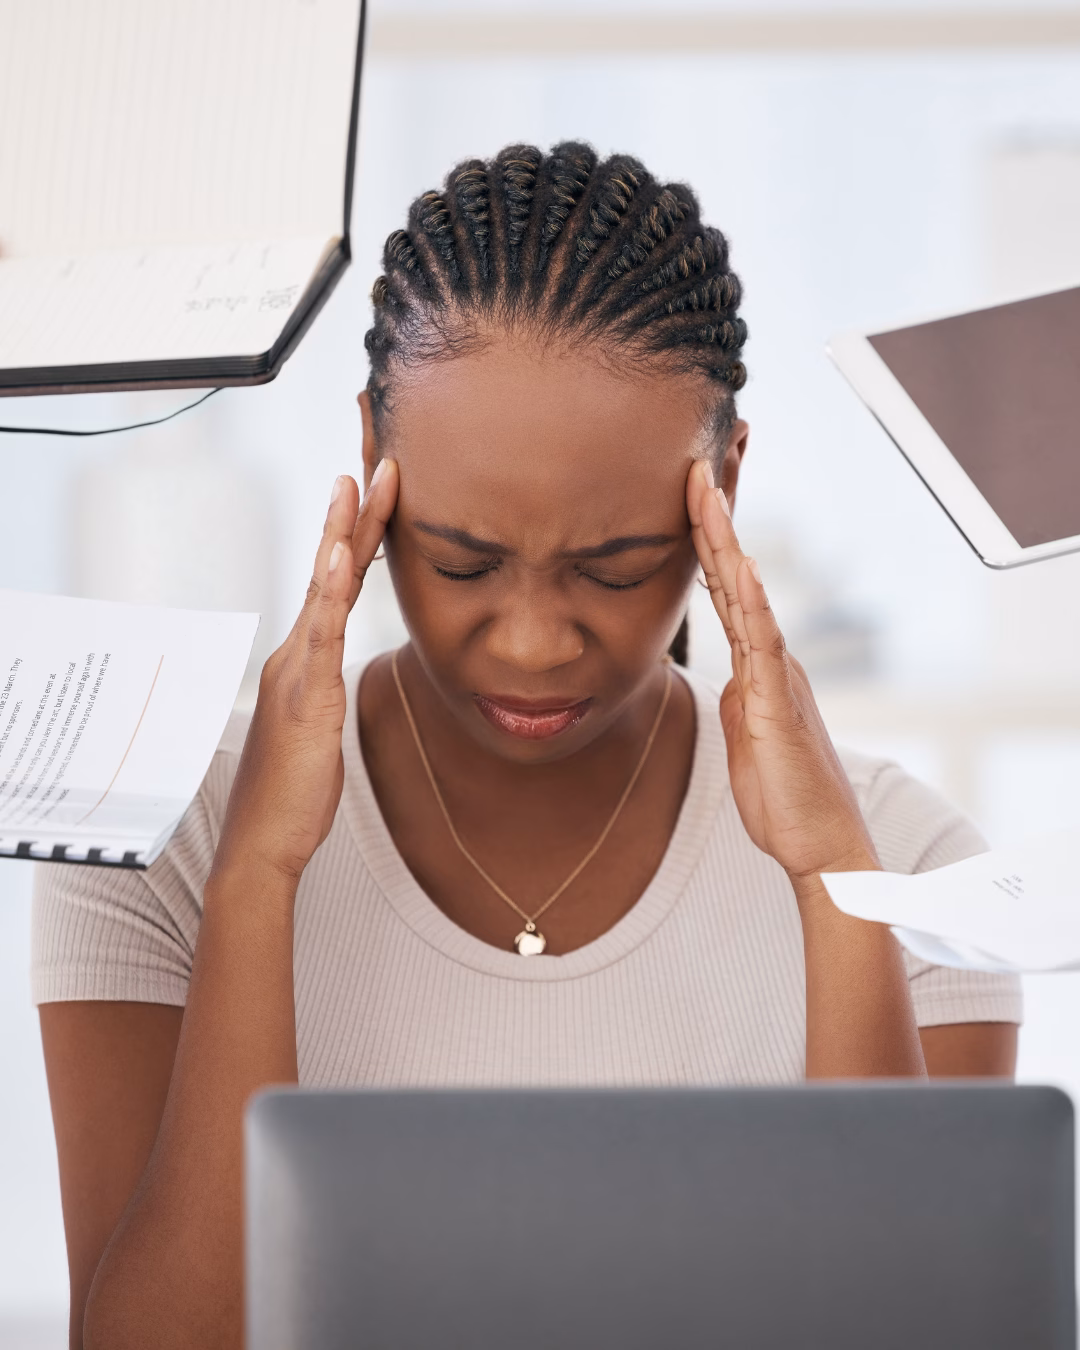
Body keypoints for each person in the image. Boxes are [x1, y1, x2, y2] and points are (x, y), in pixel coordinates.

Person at [34, 144, 1020, 1350]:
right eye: (463, 562)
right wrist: (257, 881)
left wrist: (830, 885)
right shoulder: (156, 832)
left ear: (726, 482)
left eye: (616, 568)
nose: (536, 643)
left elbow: (922, 1332)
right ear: (370, 461)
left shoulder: (908, 864)